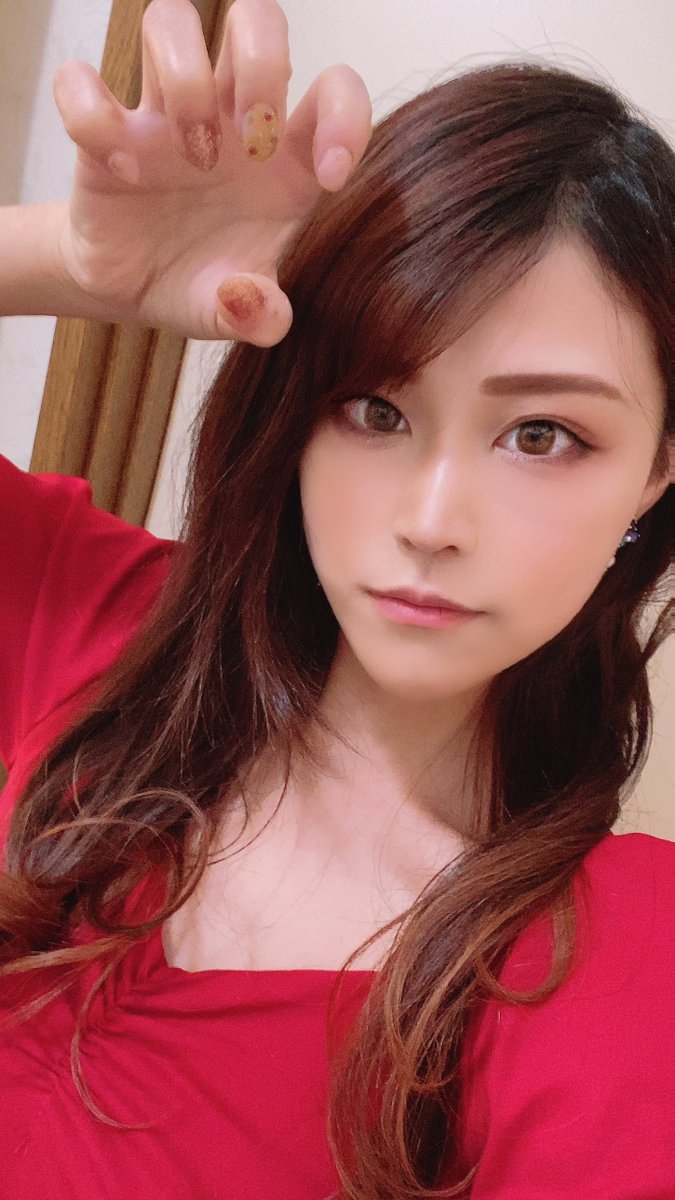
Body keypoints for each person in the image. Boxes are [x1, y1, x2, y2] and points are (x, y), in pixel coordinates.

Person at [0, 0, 672, 1195]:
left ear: (656, 473)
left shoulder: (612, 967)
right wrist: (71, 263)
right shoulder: (103, 627)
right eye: (376, 408)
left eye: (542, 435)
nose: (432, 519)